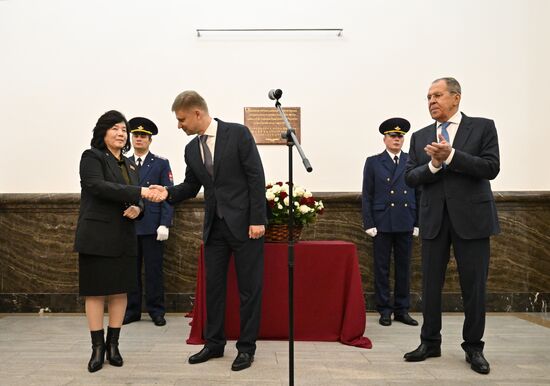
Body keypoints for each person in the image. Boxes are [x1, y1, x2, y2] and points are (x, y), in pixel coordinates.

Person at [149, 90, 266, 371]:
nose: (179, 126)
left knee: (249, 290)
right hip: (215, 229)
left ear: (197, 113)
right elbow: (191, 186)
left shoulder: (238, 134)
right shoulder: (191, 149)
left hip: (246, 226)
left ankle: (246, 348)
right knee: (213, 289)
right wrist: (166, 192)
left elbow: (255, 176)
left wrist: (258, 219)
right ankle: (214, 344)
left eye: (181, 119)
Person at [404, 77, 500, 374]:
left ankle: (474, 347)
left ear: (456, 98)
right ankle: (429, 342)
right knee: (430, 286)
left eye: (437, 95)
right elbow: (409, 176)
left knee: (473, 287)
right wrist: (433, 165)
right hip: (434, 220)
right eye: (428, 97)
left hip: (473, 220)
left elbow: (491, 167)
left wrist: (453, 156)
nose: (432, 101)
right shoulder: (420, 137)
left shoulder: (483, 127)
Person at [74, 110, 163, 372]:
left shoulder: (130, 164)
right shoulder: (91, 157)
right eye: (115, 128)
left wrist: (139, 207)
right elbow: (97, 187)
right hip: (97, 236)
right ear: (103, 132)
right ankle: (97, 348)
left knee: (120, 290)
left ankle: (114, 345)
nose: (121, 133)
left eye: (123, 129)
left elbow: (133, 200)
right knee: (95, 291)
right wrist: (141, 193)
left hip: (124, 235)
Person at [362, 117, 419, 327]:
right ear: (384, 139)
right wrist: (369, 222)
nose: (397, 140)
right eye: (393, 136)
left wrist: (418, 222)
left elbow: (419, 192)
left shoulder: (411, 161)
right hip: (382, 222)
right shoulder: (374, 162)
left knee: (404, 267)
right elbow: (367, 194)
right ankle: (384, 309)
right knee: (382, 268)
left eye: (400, 136)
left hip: (406, 220)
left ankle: (402, 310)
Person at [123, 117, 174, 327]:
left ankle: (156, 310)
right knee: (130, 271)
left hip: (153, 227)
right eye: (135, 135)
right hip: (128, 225)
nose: (139, 139)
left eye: (143, 136)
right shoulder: (122, 162)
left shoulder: (160, 163)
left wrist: (165, 223)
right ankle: (132, 310)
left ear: (150, 140)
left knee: (154, 271)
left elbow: (167, 195)